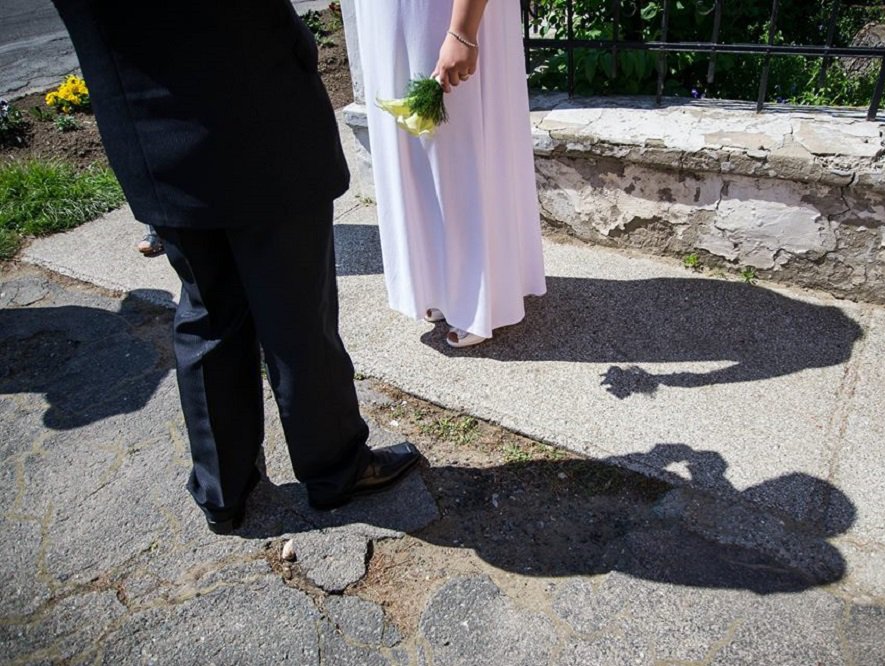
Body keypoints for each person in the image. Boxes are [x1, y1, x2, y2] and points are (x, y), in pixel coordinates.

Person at [51, 0, 420, 534]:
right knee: (297, 316)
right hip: (260, 116)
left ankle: (222, 488)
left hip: (147, 128)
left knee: (208, 311)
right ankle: (335, 468)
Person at [354, 0, 546, 348]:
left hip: (442, 13)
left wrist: (462, 31)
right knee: (420, 153)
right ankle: (443, 286)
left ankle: (480, 298)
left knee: (458, 143)